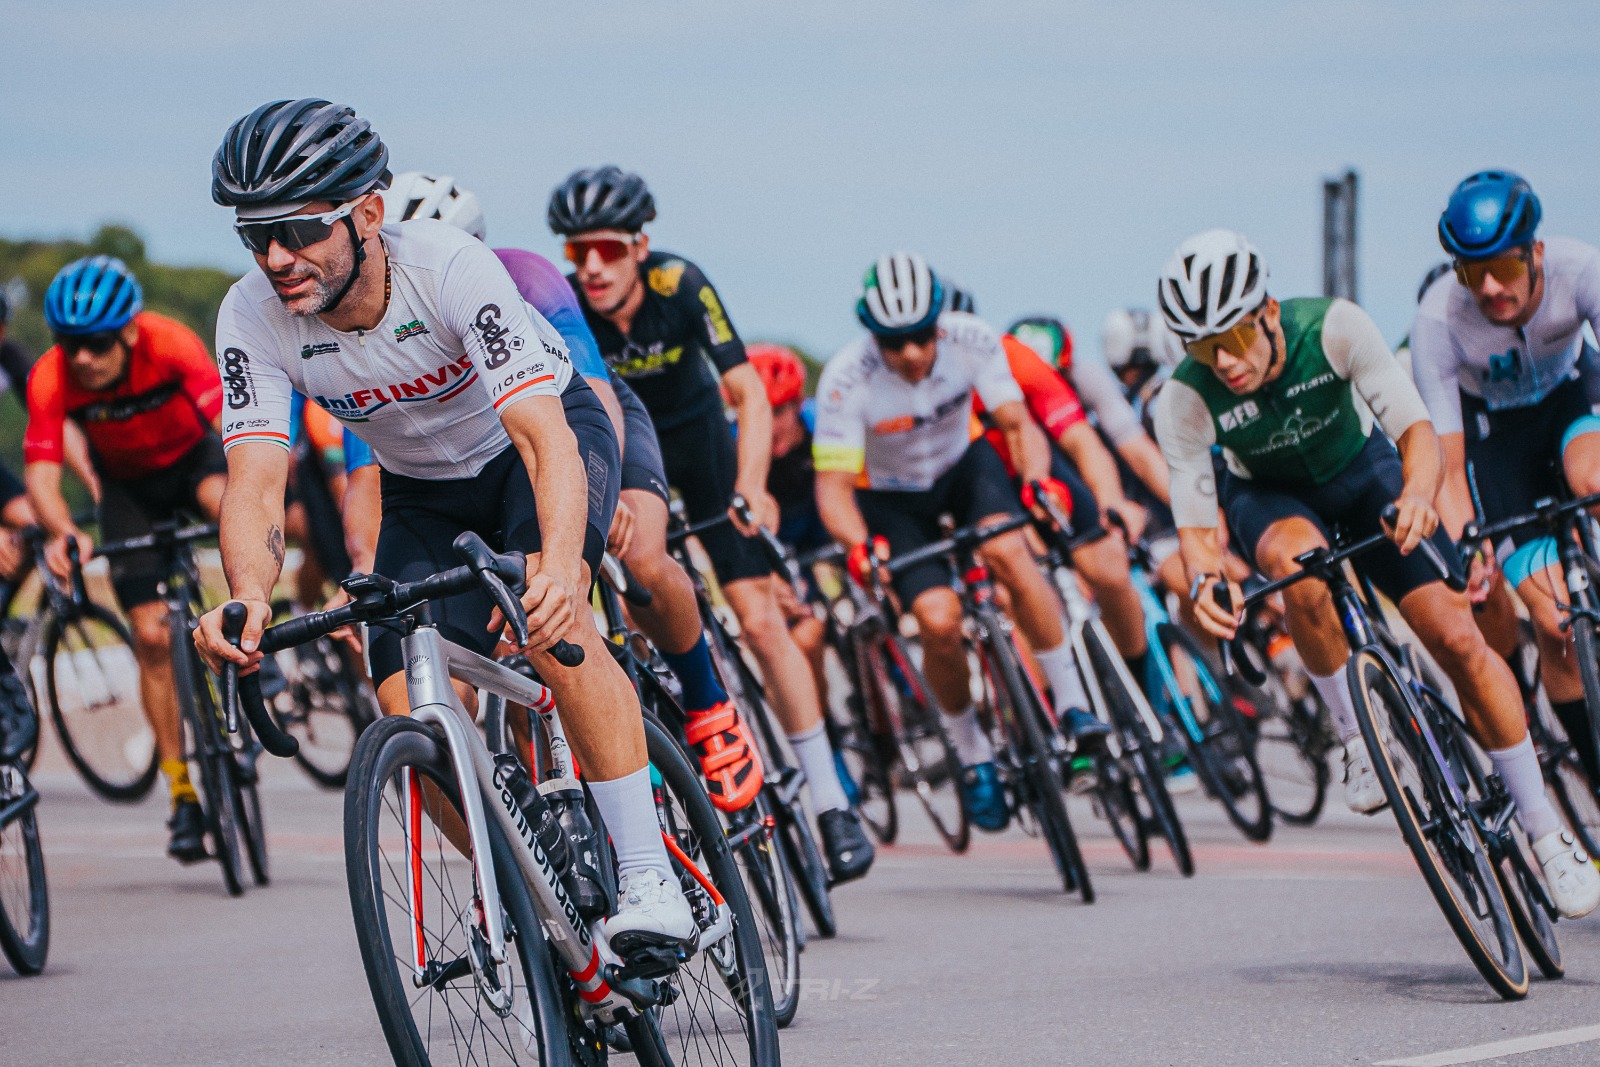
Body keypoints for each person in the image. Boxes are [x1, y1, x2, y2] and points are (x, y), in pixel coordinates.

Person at [191, 98, 695, 951]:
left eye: (301, 230)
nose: (277, 258)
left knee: (553, 625)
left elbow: (543, 438)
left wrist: (561, 564)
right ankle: (536, 897)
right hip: (421, 492)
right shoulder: (250, 316)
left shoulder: (450, 267)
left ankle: (650, 876)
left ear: (368, 214)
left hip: (535, 447)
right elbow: (257, 479)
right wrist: (248, 594)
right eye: (256, 236)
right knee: (413, 716)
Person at [1153, 227, 1599, 917]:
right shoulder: (1183, 400)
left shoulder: (1332, 327)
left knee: (1457, 639)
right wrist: (1207, 581)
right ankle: (1358, 736)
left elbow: (1417, 433)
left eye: (1234, 337)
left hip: (1366, 477)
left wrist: (1418, 496)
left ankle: (1546, 830)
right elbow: (1195, 530)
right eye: (1203, 348)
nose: (1225, 362)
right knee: (1298, 568)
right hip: (1270, 499)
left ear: (1267, 311)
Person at [549, 166, 872, 881]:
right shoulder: (567, 307)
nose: (593, 266)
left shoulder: (680, 284)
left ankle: (830, 801)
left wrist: (751, 487)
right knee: (639, 587)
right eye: (577, 251)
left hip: (700, 447)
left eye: (608, 249)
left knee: (759, 617)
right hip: (627, 448)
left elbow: (748, 392)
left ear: (640, 246)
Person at [813, 251, 1110, 833]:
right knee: (937, 620)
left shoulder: (972, 339)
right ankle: (973, 755)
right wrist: (858, 545)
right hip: (894, 498)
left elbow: (1018, 425)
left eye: (922, 335)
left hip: (965, 469)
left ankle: (1073, 705)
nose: (912, 353)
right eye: (894, 342)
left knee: (1009, 550)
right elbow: (834, 489)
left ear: (940, 322)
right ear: (872, 336)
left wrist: (1035, 479)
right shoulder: (847, 379)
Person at [23, 255, 225, 863]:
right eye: (70, 344)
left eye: (97, 343)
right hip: (128, 489)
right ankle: (182, 792)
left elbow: (232, 426)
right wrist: (64, 532)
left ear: (129, 331)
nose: (83, 358)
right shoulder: (51, 376)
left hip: (194, 463)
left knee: (224, 505)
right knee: (151, 637)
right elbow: (42, 476)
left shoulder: (171, 344)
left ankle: (252, 632)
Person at [1411, 171, 1600, 788]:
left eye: (1504, 268)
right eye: (1472, 273)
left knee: (1593, 476)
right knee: (1556, 624)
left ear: (1535, 251)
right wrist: (1471, 544)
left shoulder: (1581, 269)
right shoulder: (1438, 319)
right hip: (1497, 440)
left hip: (1573, 400)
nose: (1490, 287)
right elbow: (1445, 458)